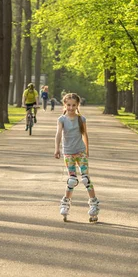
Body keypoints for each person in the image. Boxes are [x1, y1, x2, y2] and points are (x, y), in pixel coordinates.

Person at [54, 93, 100, 222]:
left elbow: (85, 135)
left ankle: (94, 204)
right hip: (68, 153)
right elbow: (58, 134)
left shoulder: (81, 119)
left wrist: (87, 150)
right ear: (65, 105)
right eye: (68, 105)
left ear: (77, 105)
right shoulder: (61, 119)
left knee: (85, 179)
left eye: (74, 105)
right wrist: (57, 148)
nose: (71, 107)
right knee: (72, 180)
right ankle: (65, 203)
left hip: (80, 152)